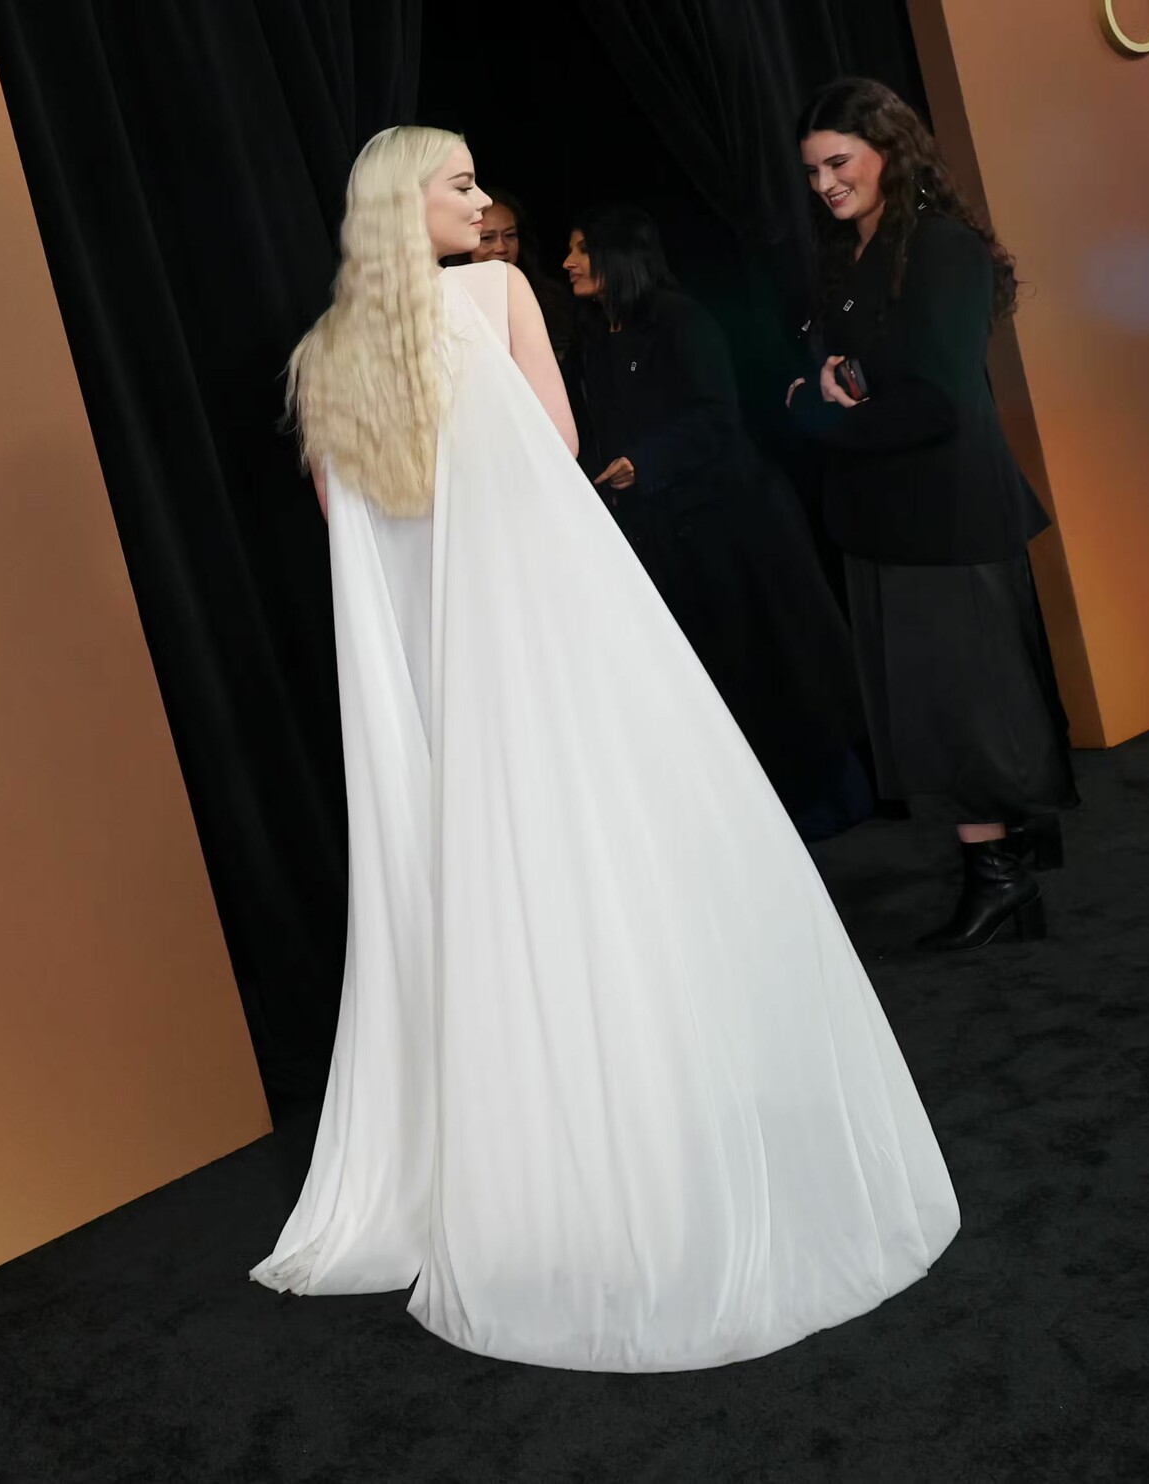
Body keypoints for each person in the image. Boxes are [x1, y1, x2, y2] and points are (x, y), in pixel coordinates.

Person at [249, 124, 957, 1372]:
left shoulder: (325, 356)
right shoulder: (494, 296)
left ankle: (517, 1153)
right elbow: (560, 446)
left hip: (430, 682)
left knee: (480, 891)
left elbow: (348, 527)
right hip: (538, 636)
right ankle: (639, 1116)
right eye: (460, 183)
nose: (482, 202)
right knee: (602, 858)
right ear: (408, 204)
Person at [786, 77, 1077, 951]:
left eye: (839, 163)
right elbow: (859, 370)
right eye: (812, 172)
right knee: (938, 703)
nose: (825, 184)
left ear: (890, 150)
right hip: (887, 513)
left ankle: (1002, 878)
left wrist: (824, 415)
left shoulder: (941, 248)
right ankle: (1007, 862)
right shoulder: (853, 252)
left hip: (945, 514)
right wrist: (820, 385)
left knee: (961, 705)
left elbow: (941, 400)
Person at [561, 204, 870, 840]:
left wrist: (643, 463)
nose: (568, 263)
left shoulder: (678, 319)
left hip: (733, 527)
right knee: (718, 678)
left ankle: (828, 802)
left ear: (620, 255)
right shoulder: (594, 337)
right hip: (666, 534)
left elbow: (715, 416)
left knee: (772, 663)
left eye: (583, 249)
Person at [472, 188, 573, 360]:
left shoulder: (551, 301)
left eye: (510, 235)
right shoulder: (447, 299)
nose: (501, 247)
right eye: (487, 238)